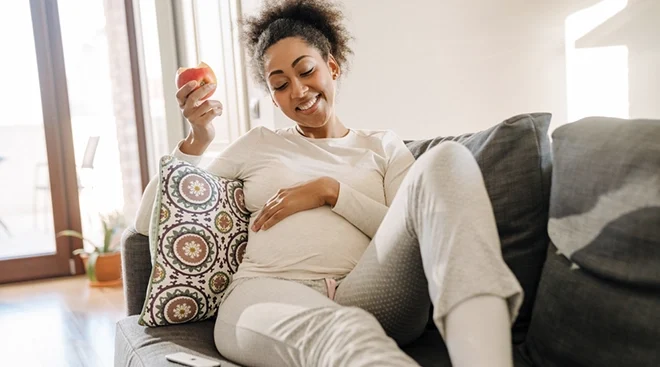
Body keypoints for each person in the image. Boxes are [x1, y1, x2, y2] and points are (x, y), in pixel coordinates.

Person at [135, 0, 523, 366]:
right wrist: (197, 140)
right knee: (344, 333)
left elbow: (411, 233)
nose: (298, 91)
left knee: (447, 160)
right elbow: (147, 222)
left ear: (332, 67)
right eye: (280, 84)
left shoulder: (381, 145)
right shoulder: (259, 143)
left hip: (372, 290)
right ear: (273, 98)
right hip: (266, 291)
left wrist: (331, 191)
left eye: (306, 71)